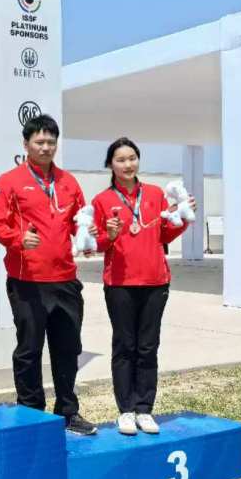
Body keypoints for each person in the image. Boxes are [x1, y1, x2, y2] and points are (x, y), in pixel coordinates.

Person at [0, 114, 97, 435]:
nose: (46, 147)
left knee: (68, 350)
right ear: (26, 144)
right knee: (29, 350)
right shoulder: (10, 180)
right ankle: (31, 414)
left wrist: (87, 238)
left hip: (65, 280)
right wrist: (18, 239)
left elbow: (80, 222)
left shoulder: (69, 182)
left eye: (51, 142)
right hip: (28, 281)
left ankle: (68, 411)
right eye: (39, 142)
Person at [91, 137, 195, 435]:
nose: (128, 164)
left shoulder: (154, 194)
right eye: (121, 159)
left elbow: (164, 234)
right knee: (125, 346)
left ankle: (144, 409)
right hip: (120, 283)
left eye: (132, 158)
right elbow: (96, 244)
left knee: (148, 347)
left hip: (155, 281)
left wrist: (183, 216)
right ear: (110, 164)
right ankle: (125, 410)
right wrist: (109, 235)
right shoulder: (102, 200)